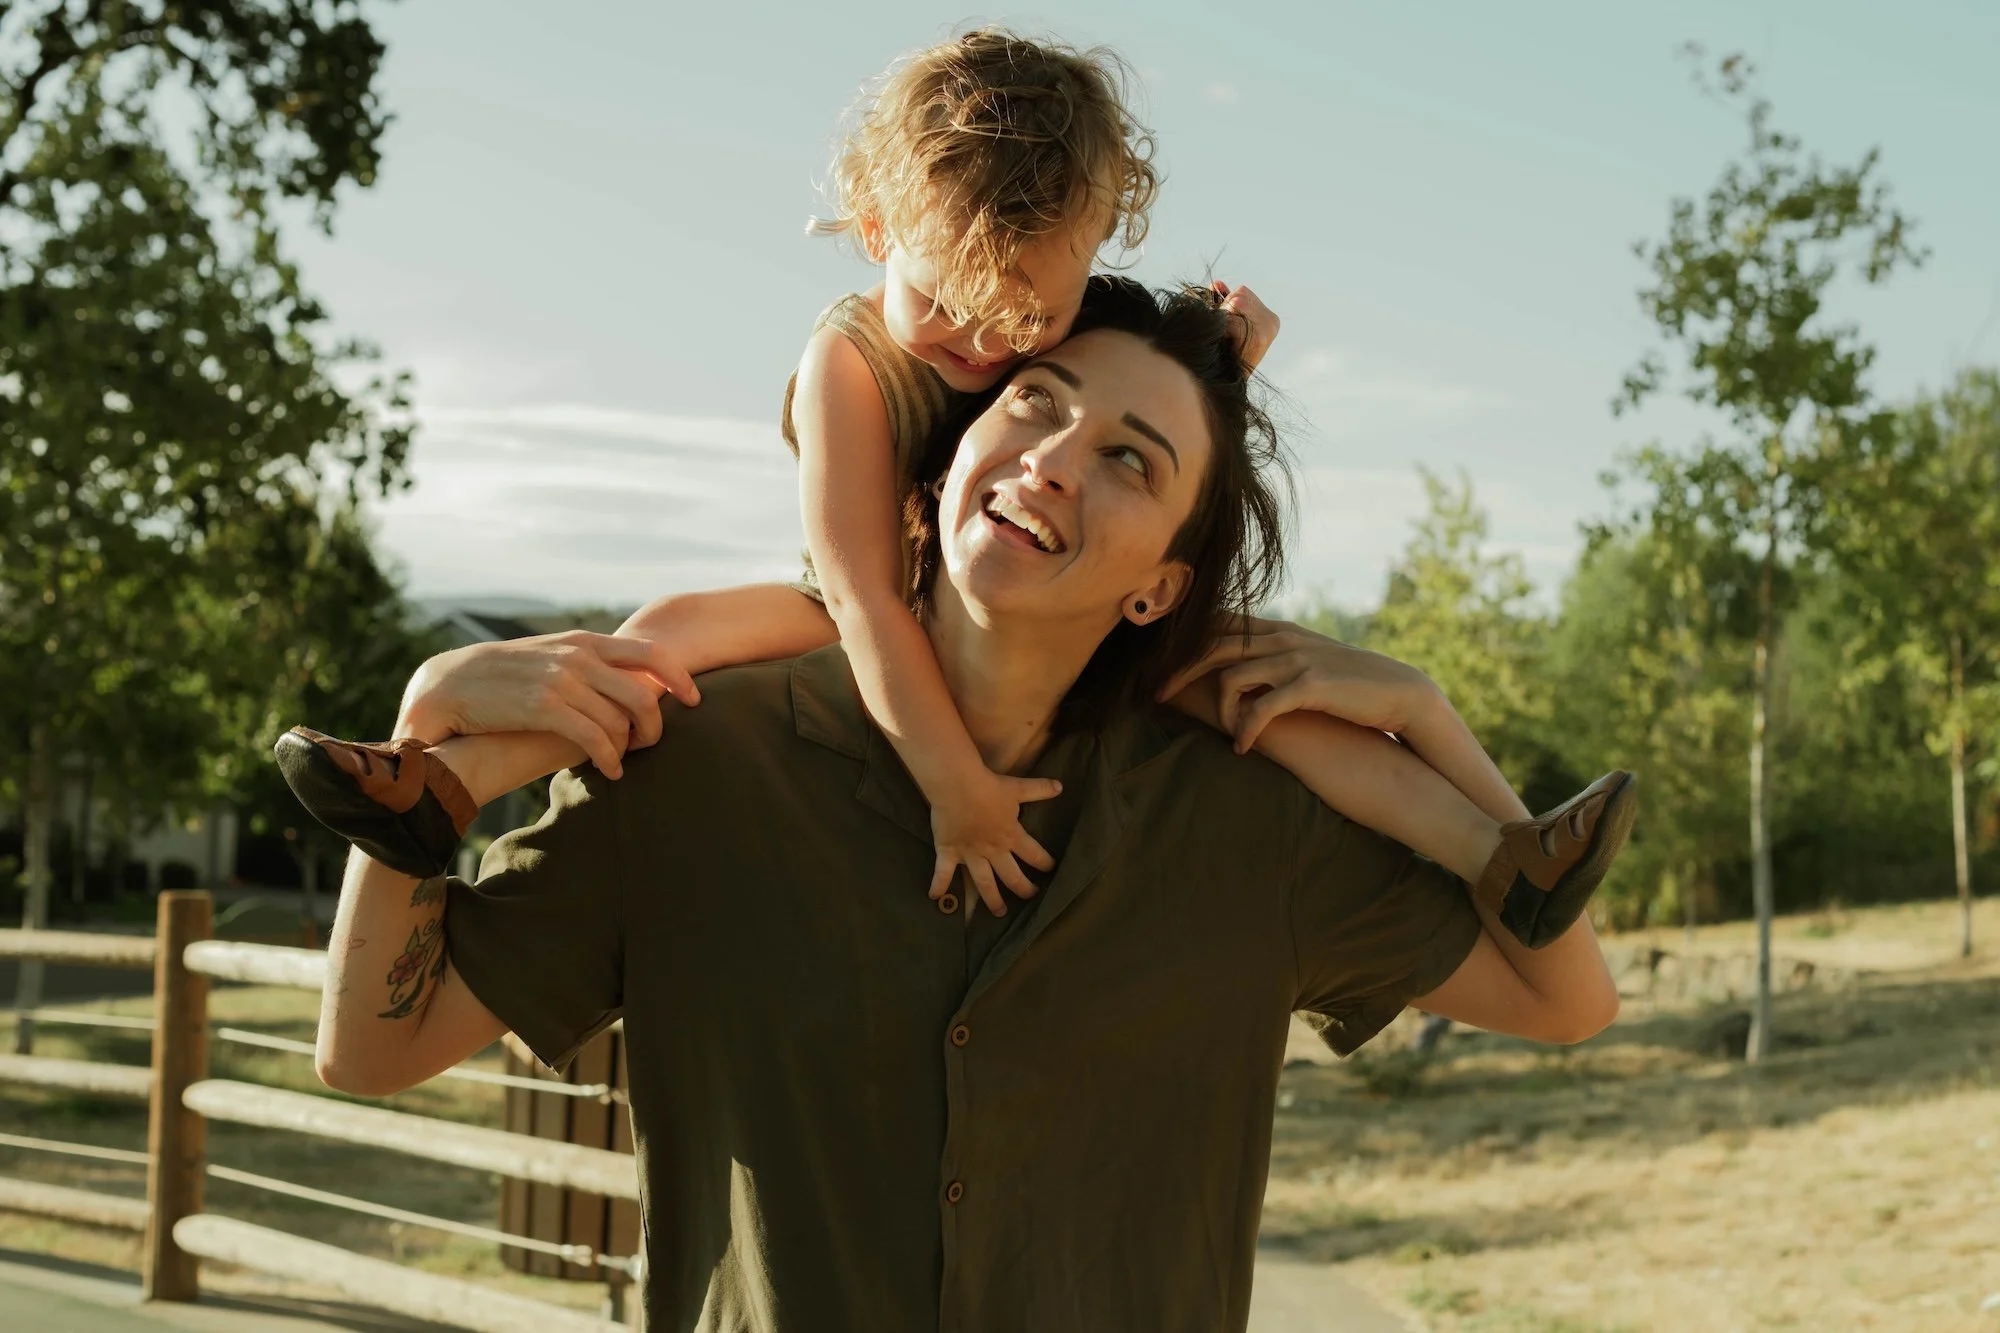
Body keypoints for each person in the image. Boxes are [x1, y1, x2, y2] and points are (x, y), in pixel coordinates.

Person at [308, 280, 1626, 1332]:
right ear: (947, 461)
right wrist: (426, 739)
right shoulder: (705, 767)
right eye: (1038, 402)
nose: (1055, 460)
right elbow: (373, 1052)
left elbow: (1568, 999)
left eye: (1130, 459)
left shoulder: (1247, 827)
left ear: (1161, 590)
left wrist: (1431, 717)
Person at [279, 28, 1627, 946]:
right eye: (949, 306)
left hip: (1036, 609)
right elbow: (863, 592)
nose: (985, 348)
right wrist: (954, 789)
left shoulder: (1057, 301)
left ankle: (1503, 853)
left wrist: (1231, 354)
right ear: (874, 228)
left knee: (1274, 694)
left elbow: (1156, 410)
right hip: (869, 603)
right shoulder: (851, 362)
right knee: (664, 644)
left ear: (1097, 241)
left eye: (1023, 322)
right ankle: (442, 785)